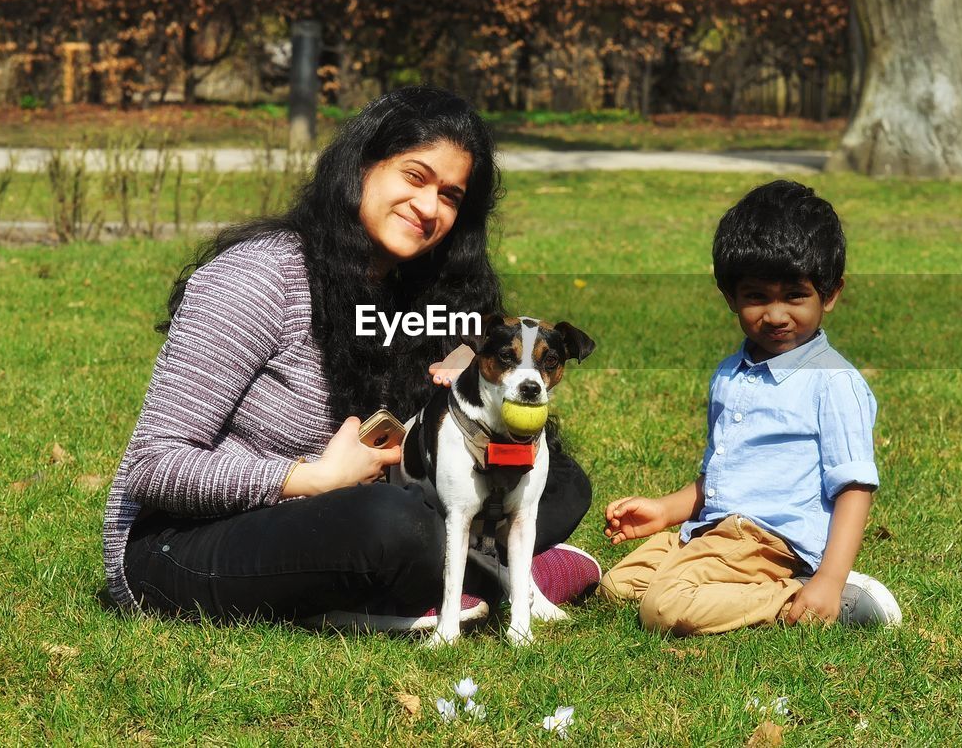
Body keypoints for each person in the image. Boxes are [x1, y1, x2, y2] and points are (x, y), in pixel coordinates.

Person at [102, 86, 600, 630]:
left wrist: (466, 387)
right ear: (361, 167)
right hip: (183, 545)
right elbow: (152, 467)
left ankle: (452, 581)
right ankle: (499, 577)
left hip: (358, 515)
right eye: (415, 176)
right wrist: (309, 477)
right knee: (393, 525)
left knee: (560, 477)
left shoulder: (428, 292)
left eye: (451, 196)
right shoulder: (257, 277)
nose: (429, 207)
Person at [599, 180, 901, 634]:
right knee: (618, 586)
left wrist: (830, 578)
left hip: (768, 543)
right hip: (712, 532)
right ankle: (731, 583)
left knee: (662, 608)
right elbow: (723, 477)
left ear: (830, 294)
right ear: (730, 297)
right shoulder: (730, 373)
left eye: (795, 296)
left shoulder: (833, 382)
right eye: (757, 297)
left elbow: (853, 488)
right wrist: (665, 511)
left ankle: (809, 599)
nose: (776, 315)